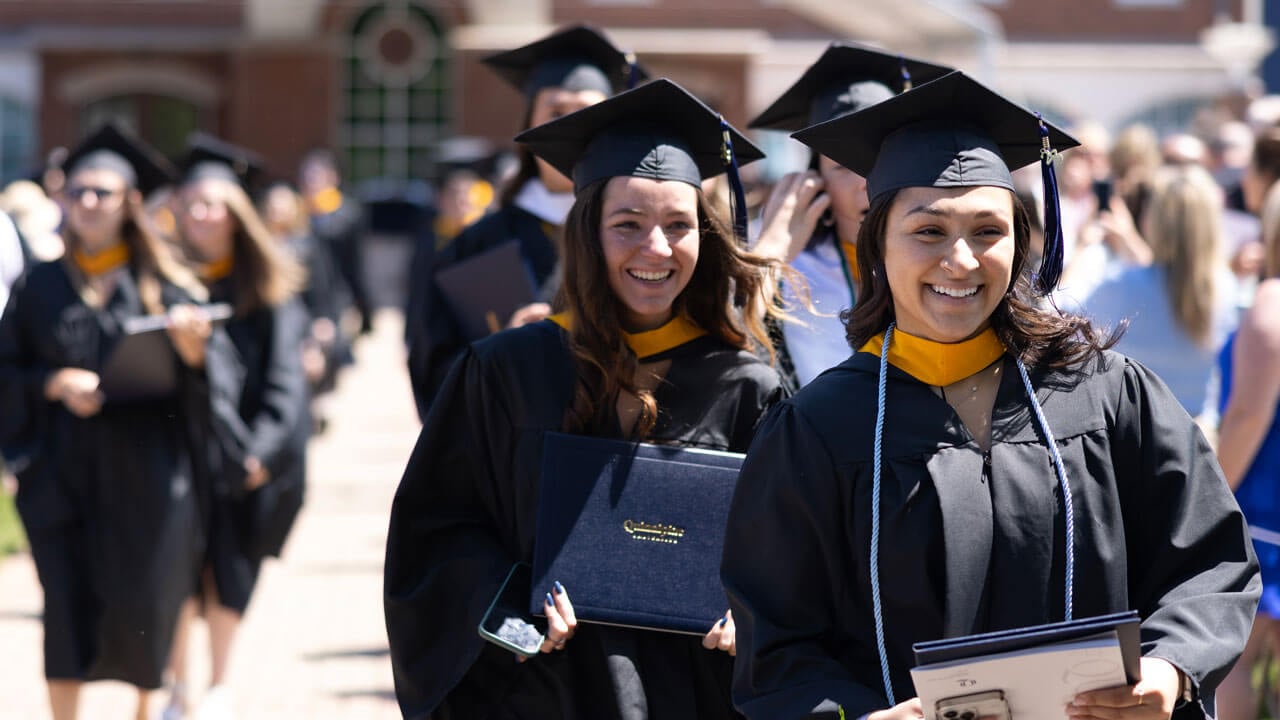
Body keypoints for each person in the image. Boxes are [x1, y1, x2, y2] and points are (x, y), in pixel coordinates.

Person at [721, 71, 1260, 720]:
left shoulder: (1108, 396)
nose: (962, 260)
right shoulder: (819, 430)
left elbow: (1210, 562)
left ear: (1020, 241)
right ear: (878, 245)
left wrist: (1168, 666)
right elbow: (777, 649)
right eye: (928, 231)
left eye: (987, 231)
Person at [384, 78, 786, 719]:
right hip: (544, 689)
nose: (656, 248)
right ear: (588, 233)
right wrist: (513, 607)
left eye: (678, 225)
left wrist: (751, 614)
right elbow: (436, 531)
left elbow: (789, 552)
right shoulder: (505, 370)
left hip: (691, 692)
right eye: (628, 223)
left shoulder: (746, 387)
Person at [0, 122, 214, 720]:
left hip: (149, 471)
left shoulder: (165, 287)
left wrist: (195, 353)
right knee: (64, 607)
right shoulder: (39, 286)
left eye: (102, 192)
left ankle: (146, 713)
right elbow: (4, 371)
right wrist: (53, 382)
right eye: (77, 192)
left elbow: (209, 389)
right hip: (62, 472)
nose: (87, 203)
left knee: (148, 602)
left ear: (131, 203)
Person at [404, 24, 646, 421]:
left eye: (588, 113)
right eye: (555, 113)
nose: (571, 128)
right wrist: (500, 352)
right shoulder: (476, 246)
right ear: (529, 127)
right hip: (509, 459)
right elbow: (433, 370)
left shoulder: (642, 239)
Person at [164, 135, 310, 720]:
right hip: (177, 447)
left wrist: (262, 453)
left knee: (229, 563)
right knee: (174, 564)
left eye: (215, 203)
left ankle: (220, 683)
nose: (202, 214)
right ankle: (179, 685)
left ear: (237, 214)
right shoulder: (165, 281)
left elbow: (285, 383)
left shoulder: (266, 289)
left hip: (243, 451)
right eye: (193, 203)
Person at [747, 42, 950, 389]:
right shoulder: (779, 259)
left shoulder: (945, 252)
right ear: (815, 180)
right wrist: (773, 253)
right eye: (843, 166)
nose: (865, 183)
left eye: (876, 160)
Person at [1072, 164, 1239, 419]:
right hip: (1199, 433)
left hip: (1138, 429)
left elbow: (1059, 313)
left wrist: (1083, 246)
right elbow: (1175, 278)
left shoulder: (1125, 283)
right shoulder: (1227, 288)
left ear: (1155, 219)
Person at [1214, 180, 1280, 720]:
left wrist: (1211, 498)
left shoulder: (1272, 303)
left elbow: (1246, 418)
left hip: (1264, 512)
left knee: (1235, 662)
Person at [260, 179, 351, 433]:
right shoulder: (259, 246)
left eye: (283, 206)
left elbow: (322, 289)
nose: (277, 211)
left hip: (301, 321)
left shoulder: (307, 245)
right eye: (273, 206)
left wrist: (323, 322)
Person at [299, 147, 370, 335]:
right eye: (307, 175)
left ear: (333, 178)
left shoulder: (347, 215)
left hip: (339, 297)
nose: (310, 180)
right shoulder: (298, 214)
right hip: (307, 299)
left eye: (316, 175)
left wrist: (362, 305)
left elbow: (356, 263)